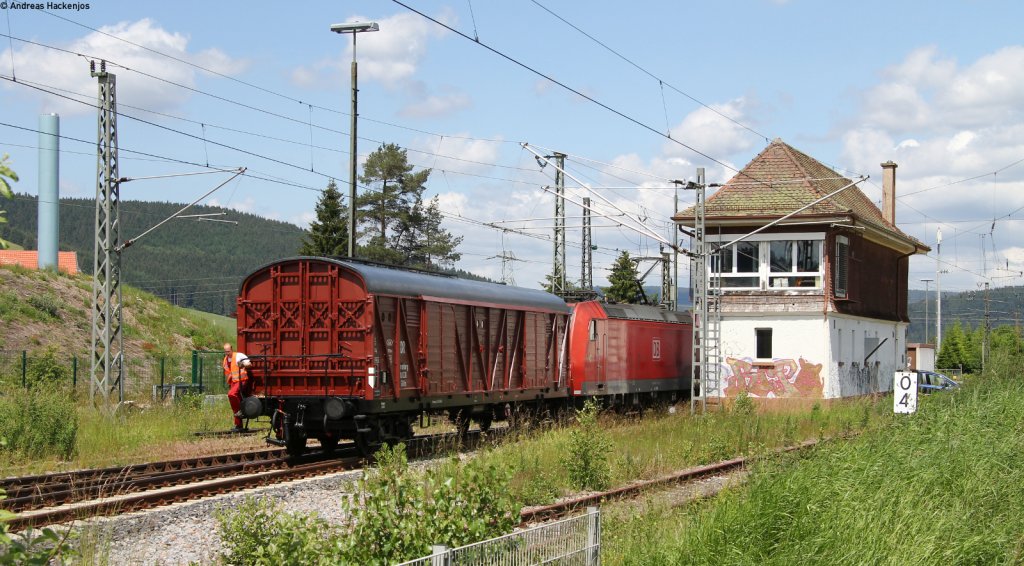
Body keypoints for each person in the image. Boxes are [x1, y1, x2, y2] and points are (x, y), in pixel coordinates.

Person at [223, 342, 251, 432]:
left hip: (241, 381)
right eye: (225, 352)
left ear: (231, 349)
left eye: (228, 351)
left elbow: (249, 364)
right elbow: (228, 373)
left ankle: (241, 411)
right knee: (234, 404)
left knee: (231, 394)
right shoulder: (225, 360)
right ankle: (238, 425)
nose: (227, 353)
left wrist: (242, 364)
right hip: (233, 383)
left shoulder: (239, 356)